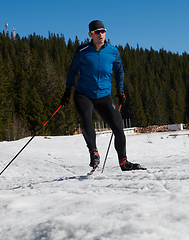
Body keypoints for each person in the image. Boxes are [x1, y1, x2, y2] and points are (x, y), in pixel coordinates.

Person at [60, 20, 145, 171]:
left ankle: (123, 162)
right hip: (84, 94)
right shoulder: (82, 51)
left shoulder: (113, 51)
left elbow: (119, 71)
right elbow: (72, 71)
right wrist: (67, 90)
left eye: (103, 31)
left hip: (104, 95)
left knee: (119, 128)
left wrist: (120, 90)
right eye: (97, 32)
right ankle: (94, 153)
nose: (101, 34)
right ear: (90, 34)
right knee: (86, 116)